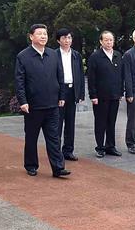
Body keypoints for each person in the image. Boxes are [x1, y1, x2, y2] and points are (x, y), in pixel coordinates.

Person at [14, 24, 70, 178]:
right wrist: (23, 101)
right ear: (31, 36)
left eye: (45, 34)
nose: (43, 36)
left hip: (52, 104)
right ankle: (31, 165)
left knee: (53, 137)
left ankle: (58, 167)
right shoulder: (23, 56)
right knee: (31, 137)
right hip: (33, 106)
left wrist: (62, 97)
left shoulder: (53, 54)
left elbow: (61, 77)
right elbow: (19, 82)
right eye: (39, 34)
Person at [87, 30, 124, 158]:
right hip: (100, 97)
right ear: (101, 41)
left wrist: (120, 93)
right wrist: (93, 96)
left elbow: (121, 76)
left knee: (111, 122)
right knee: (100, 122)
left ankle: (110, 146)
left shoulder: (118, 55)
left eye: (111, 40)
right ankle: (100, 147)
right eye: (106, 40)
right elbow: (91, 78)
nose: (109, 42)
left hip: (114, 95)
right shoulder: (95, 57)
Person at [55, 28, 85, 161]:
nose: (67, 41)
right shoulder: (53, 55)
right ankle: (56, 151)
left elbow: (80, 74)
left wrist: (81, 93)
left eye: (69, 38)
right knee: (57, 123)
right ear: (58, 40)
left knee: (70, 122)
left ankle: (68, 150)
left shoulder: (76, 55)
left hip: (72, 91)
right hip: (59, 92)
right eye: (64, 38)